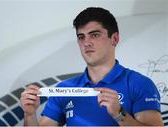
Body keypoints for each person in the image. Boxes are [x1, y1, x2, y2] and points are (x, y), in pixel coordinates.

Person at [20, 7, 164, 126]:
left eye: (94, 35)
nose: (86, 42)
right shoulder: (64, 89)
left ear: (114, 39)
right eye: (81, 37)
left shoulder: (139, 84)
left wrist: (120, 114)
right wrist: (30, 115)